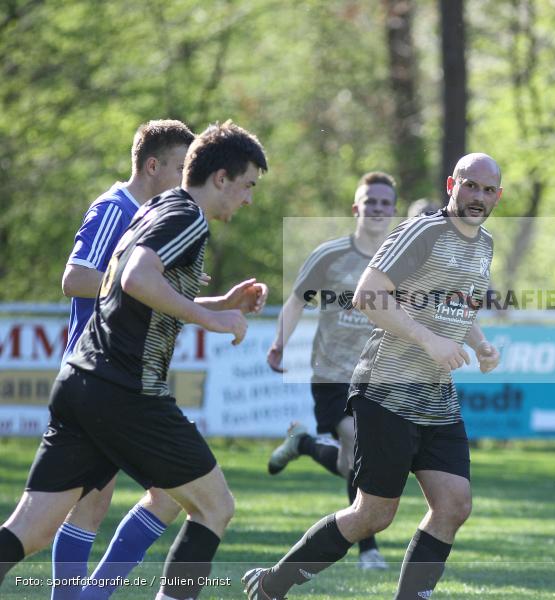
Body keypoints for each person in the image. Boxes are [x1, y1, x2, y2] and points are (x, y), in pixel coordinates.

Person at [0, 120, 269, 600]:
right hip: (126, 391)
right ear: (221, 178)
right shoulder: (187, 216)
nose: (249, 199)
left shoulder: (157, 208)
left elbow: (138, 293)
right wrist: (213, 322)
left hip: (81, 381)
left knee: (31, 530)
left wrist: (221, 304)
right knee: (213, 508)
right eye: (247, 185)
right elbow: (137, 280)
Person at [242, 153, 503, 600]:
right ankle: (273, 583)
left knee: (454, 505)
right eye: (470, 186)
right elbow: (368, 295)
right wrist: (429, 340)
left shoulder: (484, 244)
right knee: (372, 514)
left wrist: (477, 342)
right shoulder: (423, 231)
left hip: (435, 395)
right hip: (386, 388)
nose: (478, 196)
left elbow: (457, 304)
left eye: (487, 189)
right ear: (451, 185)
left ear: (499, 195)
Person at [54, 119, 195, 600]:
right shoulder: (115, 209)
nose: (186, 177)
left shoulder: (152, 215)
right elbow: (75, 279)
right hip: (96, 375)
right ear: (152, 166)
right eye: (181, 167)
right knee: (170, 492)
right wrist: (140, 286)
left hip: (117, 377)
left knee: (93, 505)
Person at [265, 171, 398, 570]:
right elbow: (295, 301)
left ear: (393, 211)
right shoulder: (330, 255)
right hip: (333, 375)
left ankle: (304, 445)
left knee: (352, 462)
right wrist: (277, 345)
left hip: (379, 377)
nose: (377, 208)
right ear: (356, 207)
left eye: (385, 203)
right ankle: (368, 551)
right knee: (360, 449)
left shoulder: (401, 260)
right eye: (370, 201)